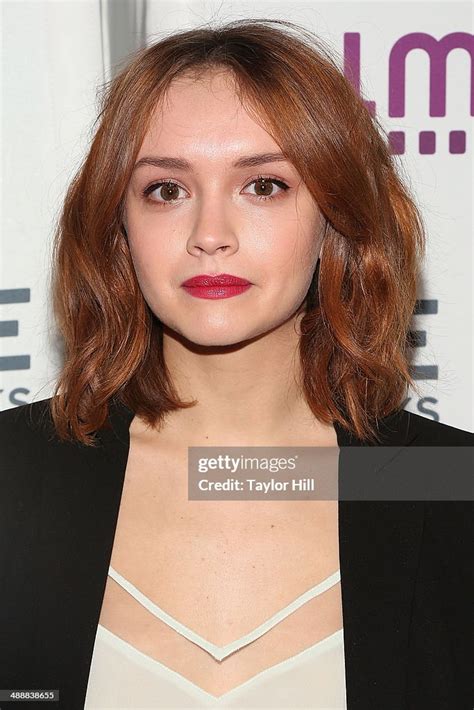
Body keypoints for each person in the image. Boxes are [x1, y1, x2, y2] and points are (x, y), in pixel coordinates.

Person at [1, 18, 472, 710]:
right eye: (166, 190)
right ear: (118, 230)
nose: (209, 236)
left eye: (265, 186)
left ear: (335, 219)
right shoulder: (15, 475)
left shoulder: (446, 486)